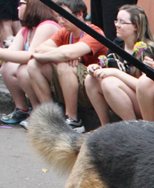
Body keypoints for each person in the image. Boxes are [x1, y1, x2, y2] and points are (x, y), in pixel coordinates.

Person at [26, 0, 107, 132]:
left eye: (64, 16)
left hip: (92, 85)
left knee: (65, 65)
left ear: (79, 14)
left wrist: (64, 54)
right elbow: (40, 49)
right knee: (33, 64)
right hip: (69, 82)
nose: (61, 21)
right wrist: (62, 54)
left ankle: (73, 119)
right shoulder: (64, 32)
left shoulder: (93, 32)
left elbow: (68, 53)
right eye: (58, 16)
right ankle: (50, 116)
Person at [0, 0, 60, 124]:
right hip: (39, 71)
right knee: (7, 67)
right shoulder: (26, 30)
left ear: (33, 6)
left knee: (24, 69)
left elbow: (31, 56)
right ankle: (22, 109)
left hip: (56, 73)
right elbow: (11, 53)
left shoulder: (47, 25)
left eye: (21, 4)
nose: (17, 7)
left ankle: (38, 111)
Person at [84, 5, 154, 126]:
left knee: (109, 83)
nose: (117, 25)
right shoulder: (118, 43)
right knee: (90, 80)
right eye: (116, 20)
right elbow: (107, 70)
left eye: (122, 22)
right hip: (123, 95)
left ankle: (130, 128)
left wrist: (115, 73)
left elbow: (144, 87)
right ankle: (105, 126)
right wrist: (96, 69)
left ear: (135, 26)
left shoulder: (148, 49)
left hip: (145, 103)